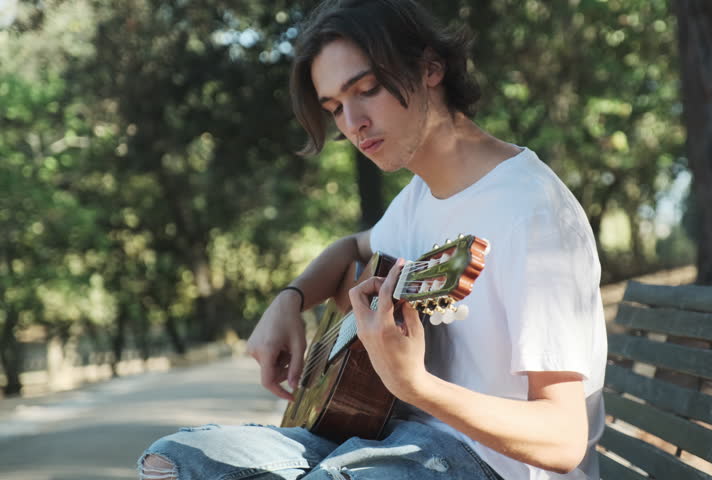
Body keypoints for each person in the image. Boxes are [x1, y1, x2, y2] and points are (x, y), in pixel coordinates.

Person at [138, 0, 607, 479]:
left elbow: (563, 438)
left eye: (367, 89)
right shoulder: (420, 197)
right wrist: (289, 300)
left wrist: (415, 384)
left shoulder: (531, 212)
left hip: (491, 465)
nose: (352, 123)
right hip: (396, 439)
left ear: (430, 67)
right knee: (172, 461)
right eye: (335, 108)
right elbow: (351, 250)